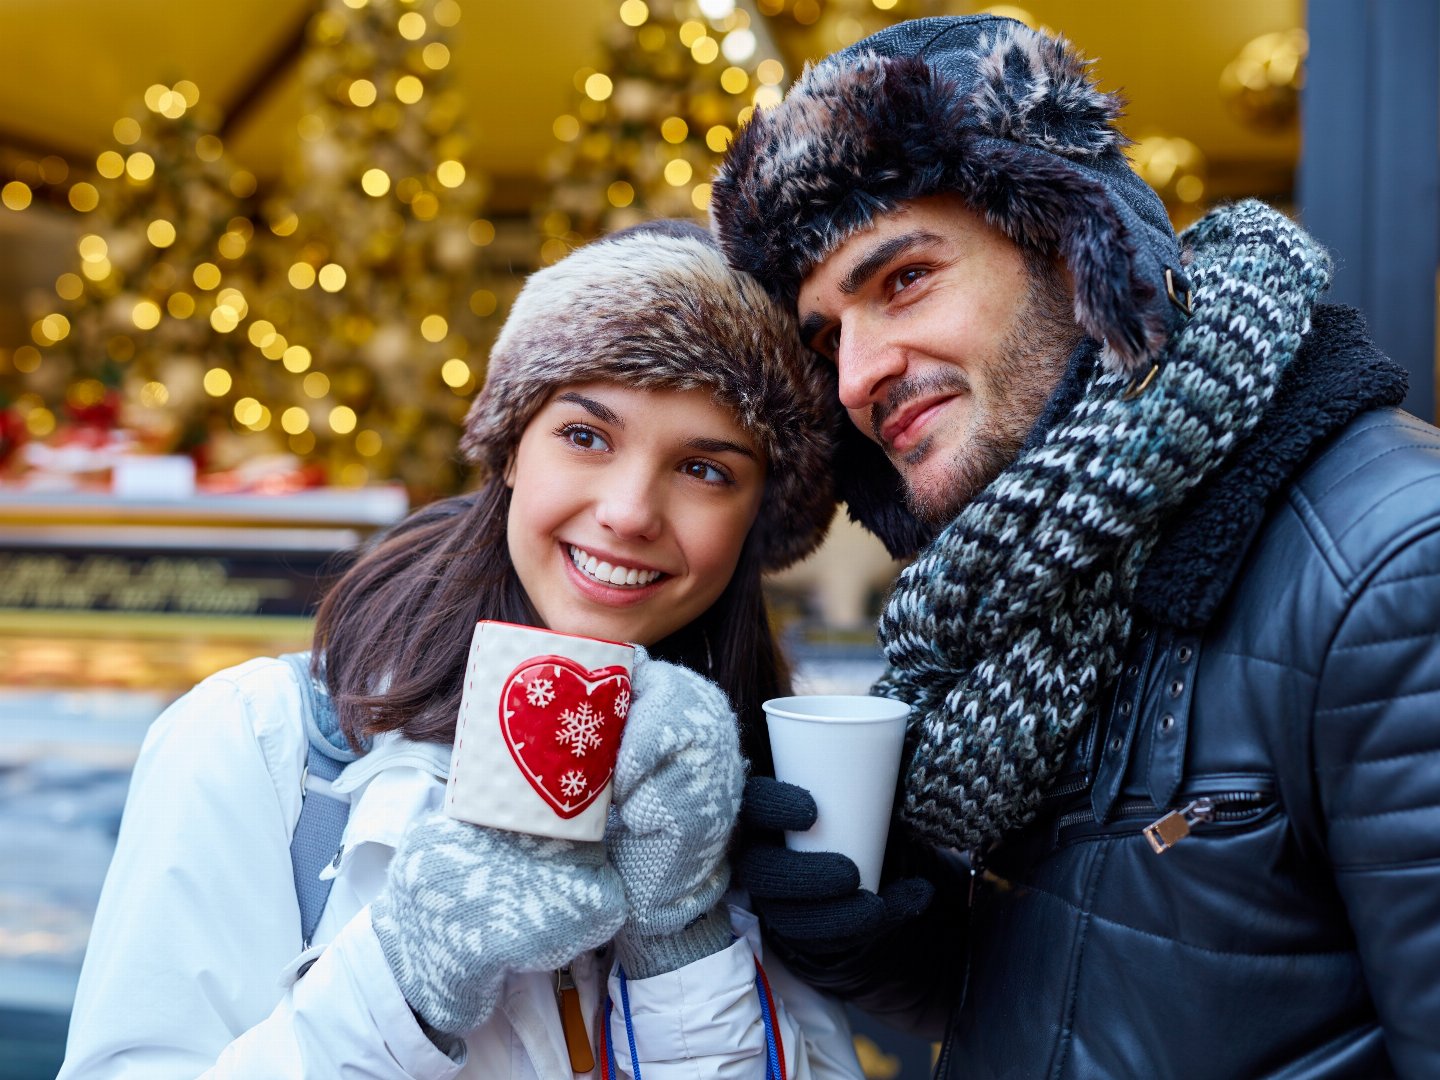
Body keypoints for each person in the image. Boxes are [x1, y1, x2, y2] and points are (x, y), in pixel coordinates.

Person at [710, 13, 1440, 1078]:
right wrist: (889, 944)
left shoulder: (1393, 562)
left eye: (902, 278)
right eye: (827, 335)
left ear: (1070, 241)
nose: (858, 374)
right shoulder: (1037, 580)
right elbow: (1119, 981)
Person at [58, 220, 865, 1078]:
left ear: (754, 520)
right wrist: (404, 979)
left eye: (707, 470)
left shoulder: (769, 809)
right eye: (586, 436)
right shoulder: (260, 742)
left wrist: (683, 938)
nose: (630, 511)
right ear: (513, 447)